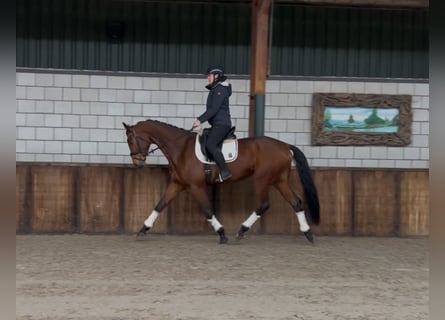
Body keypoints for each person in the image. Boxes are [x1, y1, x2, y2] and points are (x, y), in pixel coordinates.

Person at [192, 65, 233, 182]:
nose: (208, 78)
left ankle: (225, 171)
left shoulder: (220, 90)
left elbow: (213, 109)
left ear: (216, 76)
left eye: (209, 75)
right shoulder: (216, 89)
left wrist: (200, 120)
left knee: (210, 144)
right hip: (217, 124)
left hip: (222, 124)